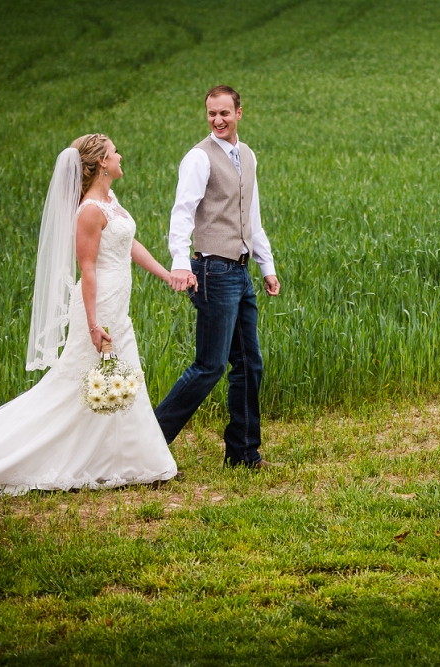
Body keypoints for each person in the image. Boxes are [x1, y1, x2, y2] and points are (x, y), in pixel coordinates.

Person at [0, 134, 178, 499]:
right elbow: (87, 268)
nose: (121, 155)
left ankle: (126, 461)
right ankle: (33, 458)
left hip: (117, 302)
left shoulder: (110, 201)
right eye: (115, 151)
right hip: (100, 304)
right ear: (102, 163)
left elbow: (128, 244)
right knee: (83, 384)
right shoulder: (90, 209)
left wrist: (166, 274)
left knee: (116, 377)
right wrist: (93, 324)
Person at [155, 85, 281, 468]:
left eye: (224, 113)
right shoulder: (198, 158)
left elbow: (251, 217)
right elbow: (182, 212)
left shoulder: (247, 155)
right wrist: (180, 260)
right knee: (209, 366)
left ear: (239, 113)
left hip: (240, 271)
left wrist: (267, 266)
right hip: (211, 269)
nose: (218, 120)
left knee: (249, 363)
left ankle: (243, 453)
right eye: (212, 114)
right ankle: (150, 441)